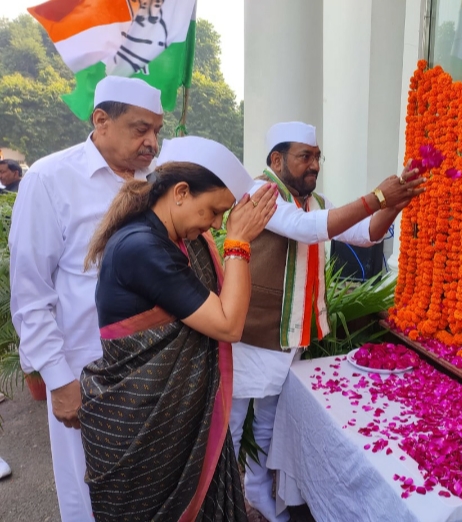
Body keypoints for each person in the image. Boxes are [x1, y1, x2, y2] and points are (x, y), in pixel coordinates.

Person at [229, 121, 425, 522]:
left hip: (290, 336)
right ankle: (223, 502)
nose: (315, 165)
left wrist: (395, 203)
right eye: (305, 156)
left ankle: (258, 494)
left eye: (317, 157)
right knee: (231, 428)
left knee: (267, 423)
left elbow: (367, 234)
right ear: (276, 160)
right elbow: (305, 230)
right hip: (252, 335)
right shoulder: (260, 193)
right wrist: (376, 196)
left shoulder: (316, 202)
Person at [80, 136, 276, 521]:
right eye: (214, 211)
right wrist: (238, 242)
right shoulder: (142, 246)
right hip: (142, 425)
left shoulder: (173, 238)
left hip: (172, 420)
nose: (216, 225)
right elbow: (227, 324)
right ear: (181, 193)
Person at [9, 76, 164, 521]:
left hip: (153, 368)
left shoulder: (158, 181)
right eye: (140, 129)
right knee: (88, 493)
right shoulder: (51, 178)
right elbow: (30, 294)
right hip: (85, 372)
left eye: (157, 130)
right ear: (101, 121)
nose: (152, 142)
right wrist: (59, 381)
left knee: (148, 490)